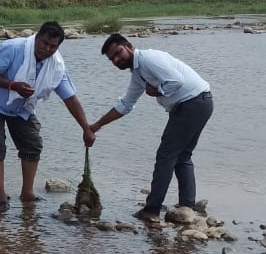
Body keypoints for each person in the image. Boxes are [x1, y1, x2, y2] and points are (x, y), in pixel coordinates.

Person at [90, 33, 213, 223]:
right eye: (112, 58)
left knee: (166, 156)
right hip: (200, 102)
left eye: (118, 53)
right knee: (182, 156)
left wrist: (158, 91)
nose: (116, 60)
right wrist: (97, 125)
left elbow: (176, 80)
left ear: (129, 46)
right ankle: (188, 206)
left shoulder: (148, 59)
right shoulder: (138, 73)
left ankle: (152, 209)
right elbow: (126, 104)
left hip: (192, 103)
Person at [0, 21, 95, 212]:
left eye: (52, 46)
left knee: (32, 145)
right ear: (37, 37)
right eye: (44, 43)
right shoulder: (13, 48)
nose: (46, 49)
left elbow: (70, 99)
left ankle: (27, 193)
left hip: (21, 107)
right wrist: (13, 85)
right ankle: (0, 196)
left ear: (58, 47)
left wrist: (86, 128)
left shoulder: (56, 67)